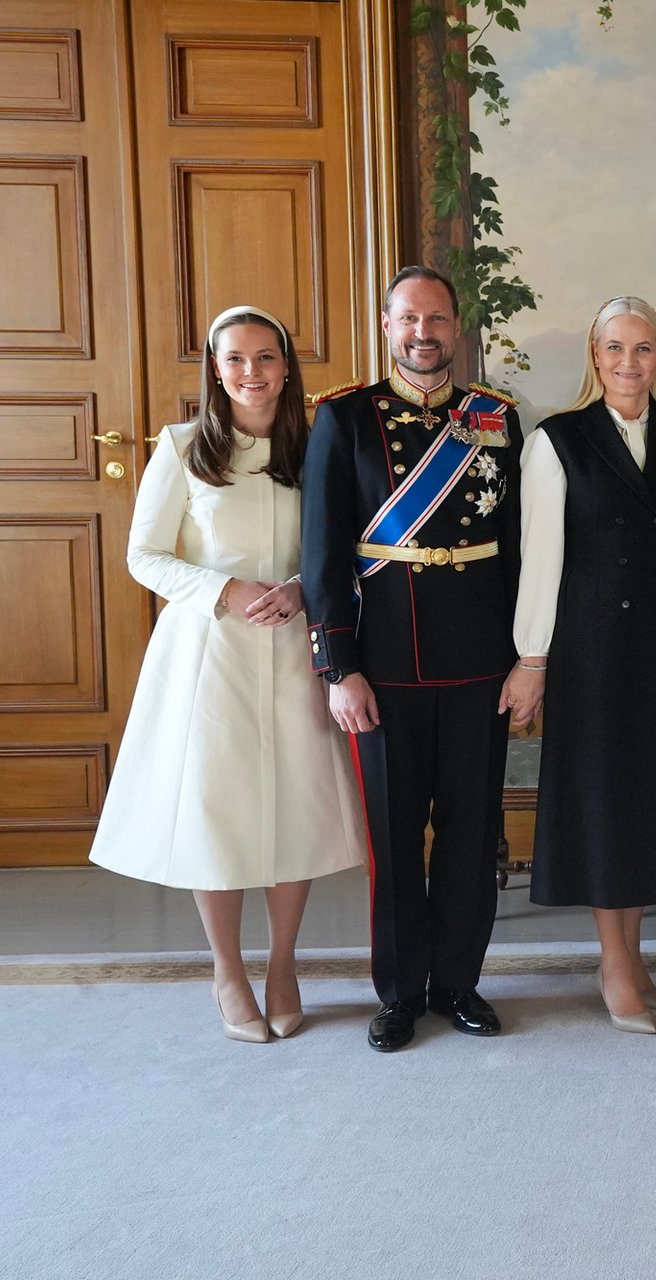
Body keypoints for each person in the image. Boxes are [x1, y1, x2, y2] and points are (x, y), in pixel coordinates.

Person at [91, 306, 366, 1043]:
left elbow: (345, 545)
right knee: (217, 810)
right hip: (209, 654)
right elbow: (144, 556)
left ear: (287, 366)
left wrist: (303, 589)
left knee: (295, 805)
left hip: (296, 649)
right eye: (236, 359)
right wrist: (225, 590)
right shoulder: (183, 447)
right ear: (215, 369)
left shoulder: (317, 446)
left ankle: (283, 965)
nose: (252, 372)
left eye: (266, 357)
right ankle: (227, 971)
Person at [302, 266, 522, 1053]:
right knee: (394, 840)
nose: (422, 333)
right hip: (384, 662)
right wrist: (339, 667)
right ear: (387, 326)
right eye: (408, 319)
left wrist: (526, 658)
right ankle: (399, 993)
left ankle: (459, 983)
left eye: (435, 319)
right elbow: (323, 551)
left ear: (456, 328)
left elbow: (517, 546)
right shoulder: (345, 417)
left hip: (479, 659)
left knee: (470, 832)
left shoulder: (495, 417)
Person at [502, 297, 656, 1034]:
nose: (629, 362)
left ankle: (631, 956)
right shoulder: (558, 440)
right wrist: (532, 657)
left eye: (644, 348)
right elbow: (541, 560)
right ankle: (615, 963)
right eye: (615, 348)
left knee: (655, 802)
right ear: (594, 357)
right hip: (593, 647)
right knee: (608, 805)